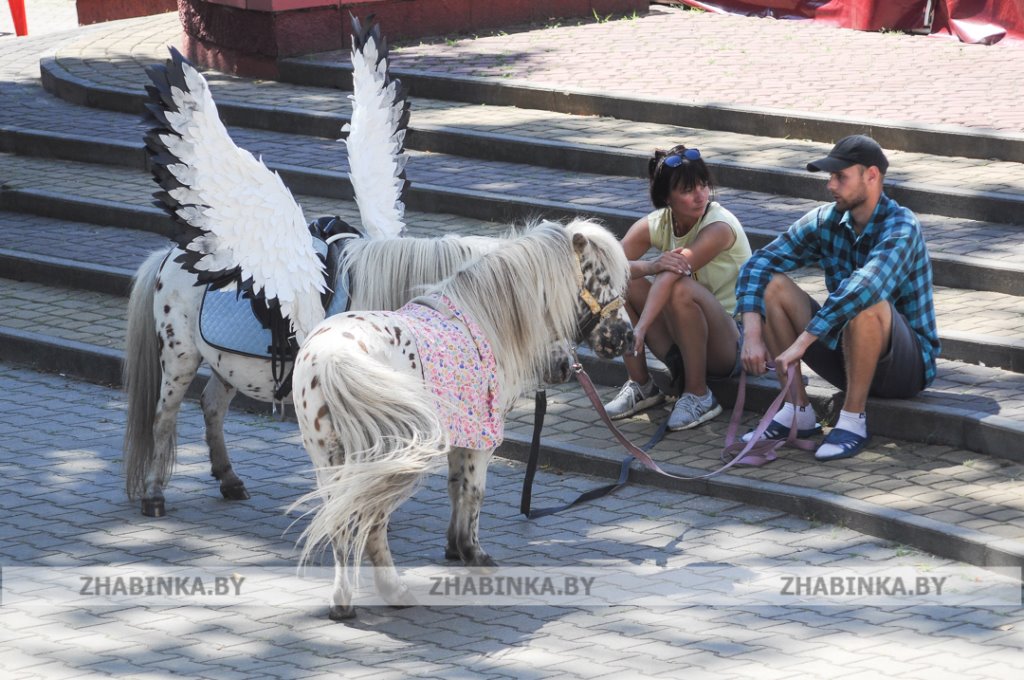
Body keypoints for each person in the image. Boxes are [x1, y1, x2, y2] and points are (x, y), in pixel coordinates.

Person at [735, 134, 939, 461]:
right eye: (830, 176)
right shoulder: (826, 220)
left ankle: (852, 420)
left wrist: (801, 343)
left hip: (905, 368)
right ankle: (796, 410)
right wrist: (753, 334)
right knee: (772, 285)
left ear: (871, 176)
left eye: (840, 176)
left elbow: (866, 287)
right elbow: (756, 264)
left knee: (867, 301)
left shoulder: (901, 226)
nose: (831, 185)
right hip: (847, 352)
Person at [604, 145, 751, 430]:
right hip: (684, 338)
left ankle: (698, 394)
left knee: (679, 285)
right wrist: (649, 266)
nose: (700, 195)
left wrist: (642, 327)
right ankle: (642, 386)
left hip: (730, 342)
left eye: (703, 185)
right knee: (622, 281)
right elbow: (609, 267)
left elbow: (674, 274)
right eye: (687, 189)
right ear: (666, 198)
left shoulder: (719, 226)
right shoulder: (659, 223)